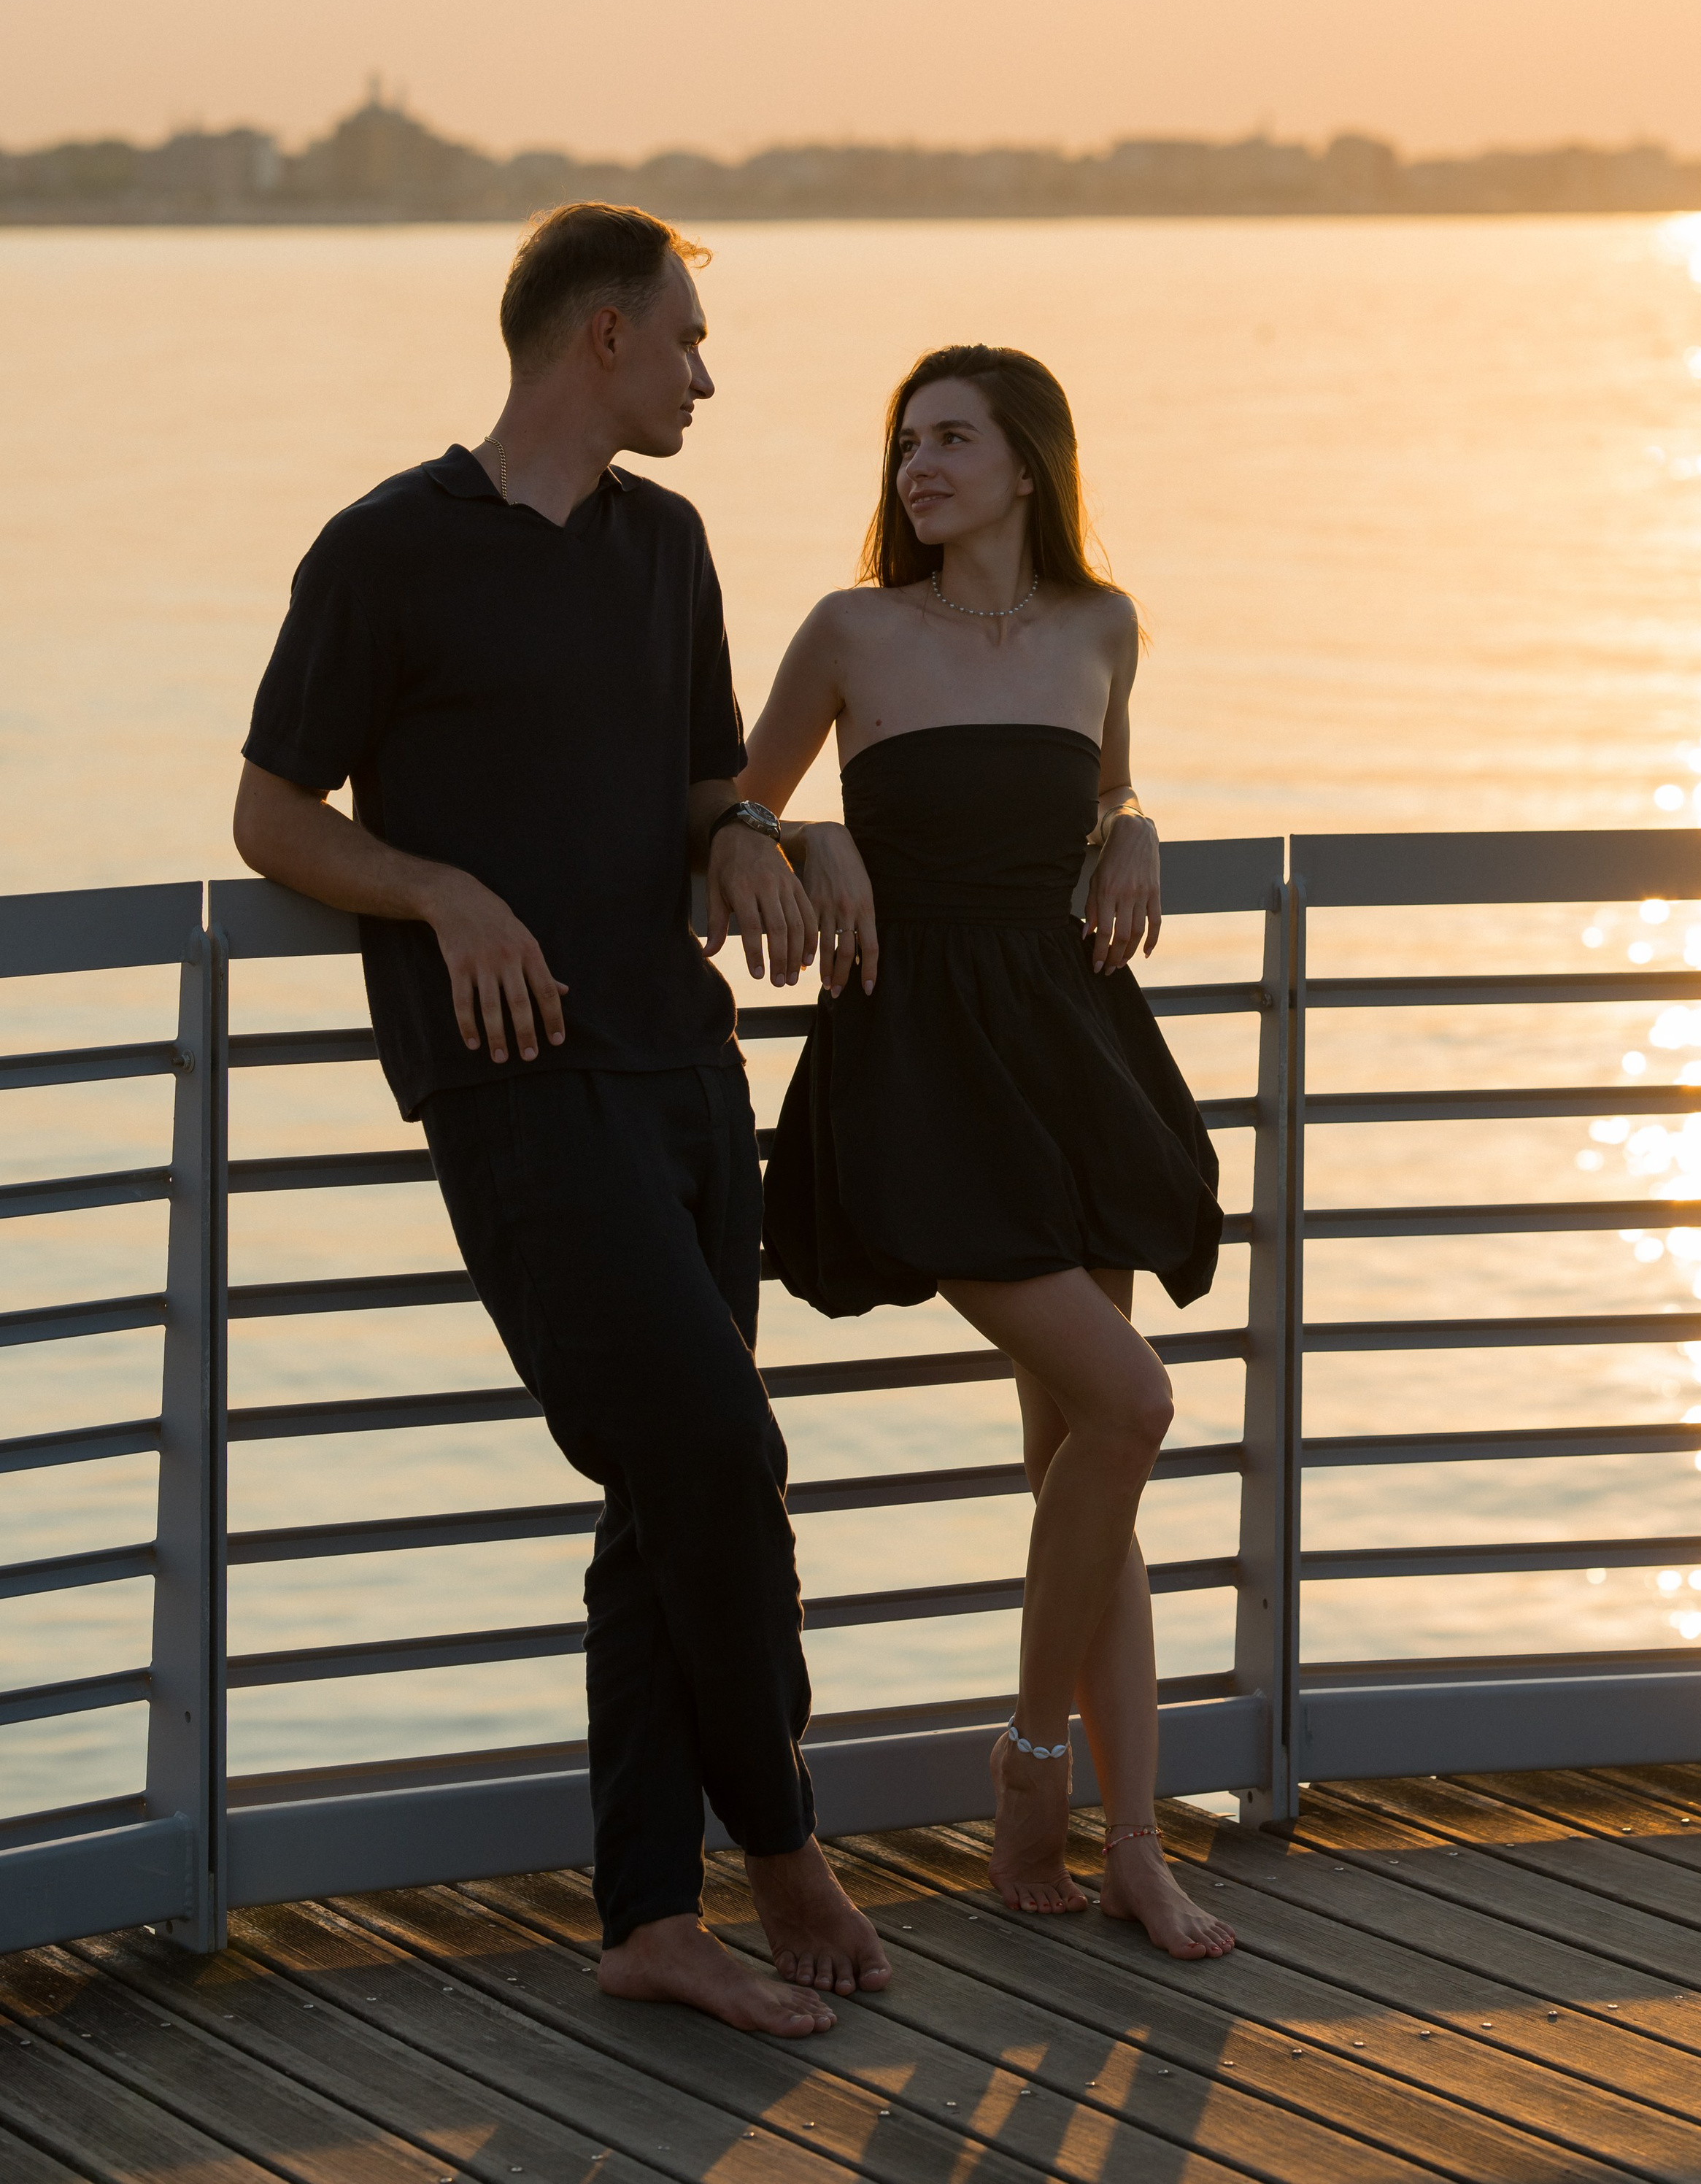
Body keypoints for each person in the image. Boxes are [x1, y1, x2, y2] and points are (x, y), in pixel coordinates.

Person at [231, 202, 890, 2037]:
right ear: (602, 335)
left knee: (660, 1492)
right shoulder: (385, 551)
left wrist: (761, 834)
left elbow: (696, 788)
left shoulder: (665, 545)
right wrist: (437, 892)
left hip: (689, 1073)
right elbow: (272, 814)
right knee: (715, 1458)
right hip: (518, 1088)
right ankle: (779, 1843)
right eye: (686, 340)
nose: (703, 378)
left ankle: (646, 1917)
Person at [742, 343, 1235, 1959]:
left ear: (1029, 461)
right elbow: (721, 822)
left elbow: (1102, 789)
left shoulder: (1102, 626)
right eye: (905, 444)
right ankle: (1031, 1763)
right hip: (921, 1074)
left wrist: (1134, 821)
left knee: (1080, 1460)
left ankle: (1134, 1845)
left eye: (951, 439)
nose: (918, 469)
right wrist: (811, 833)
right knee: (1129, 1404)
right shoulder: (851, 630)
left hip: (1070, 1054)